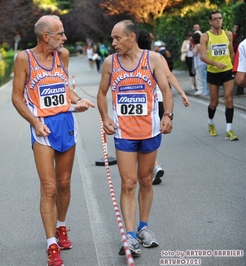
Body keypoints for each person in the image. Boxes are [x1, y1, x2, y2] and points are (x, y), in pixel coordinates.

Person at [11, 15, 95, 266]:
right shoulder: (24, 58)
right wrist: (35, 122)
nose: (65, 37)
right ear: (46, 36)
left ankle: (61, 226)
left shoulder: (63, 56)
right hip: (42, 128)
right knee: (49, 187)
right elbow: (16, 98)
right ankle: (51, 244)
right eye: (60, 34)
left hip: (66, 124)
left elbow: (64, 87)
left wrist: (77, 100)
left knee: (64, 183)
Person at [97, 20, 173, 256]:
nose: (113, 43)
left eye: (117, 38)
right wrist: (105, 116)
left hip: (149, 131)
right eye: (112, 38)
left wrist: (168, 115)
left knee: (146, 181)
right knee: (128, 183)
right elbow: (101, 93)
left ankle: (144, 228)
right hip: (124, 133)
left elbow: (166, 89)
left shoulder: (153, 59)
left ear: (131, 37)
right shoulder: (110, 62)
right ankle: (129, 235)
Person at [138, 31, 189, 185]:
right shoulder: (157, 57)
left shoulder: (132, 59)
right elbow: (170, 76)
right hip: (159, 103)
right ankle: (153, 165)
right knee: (150, 136)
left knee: (141, 137)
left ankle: (153, 166)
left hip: (145, 103)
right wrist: (182, 93)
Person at [200, 11, 238, 141]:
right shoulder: (206, 36)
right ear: (210, 22)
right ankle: (211, 123)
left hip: (227, 71)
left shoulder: (228, 34)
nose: (218, 21)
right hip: (213, 72)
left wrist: (231, 66)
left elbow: (232, 52)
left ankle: (229, 129)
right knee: (214, 102)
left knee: (229, 99)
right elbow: (202, 56)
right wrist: (215, 63)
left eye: (220, 18)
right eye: (215, 19)